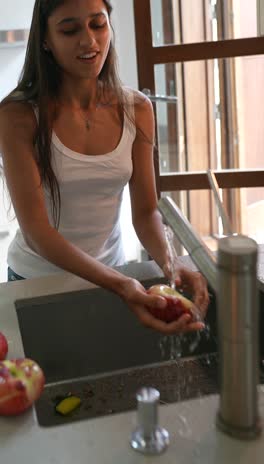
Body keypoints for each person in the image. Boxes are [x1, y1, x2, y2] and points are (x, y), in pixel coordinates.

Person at [0, 0, 209, 335]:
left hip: (112, 275)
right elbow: (39, 233)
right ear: (45, 40)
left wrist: (171, 263)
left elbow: (144, 212)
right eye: (69, 29)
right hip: (36, 282)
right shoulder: (18, 116)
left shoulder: (137, 109)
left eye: (98, 24)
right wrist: (122, 284)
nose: (88, 40)